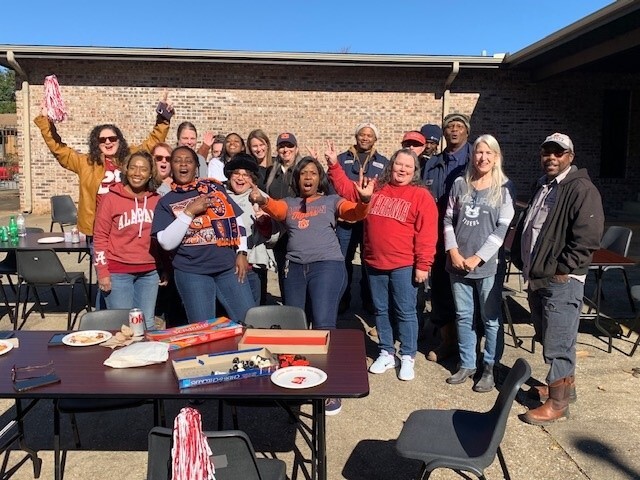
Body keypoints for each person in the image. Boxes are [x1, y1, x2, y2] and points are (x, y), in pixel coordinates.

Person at [250, 155, 373, 416]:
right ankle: (297, 381)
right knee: (294, 328)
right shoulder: (290, 203)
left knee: (323, 324)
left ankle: (327, 388)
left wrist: (364, 200)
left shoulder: (331, 201)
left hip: (327, 266)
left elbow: (354, 213)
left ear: (320, 178)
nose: (308, 177)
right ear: (296, 179)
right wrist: (261, 199)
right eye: (303, 173)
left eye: (313, 173)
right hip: (294, 268)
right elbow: (274, 208)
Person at [512, 133, 604, 425]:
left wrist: (562, 269)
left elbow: (587, 239)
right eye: (547, 152)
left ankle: (558, 404)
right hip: (539, 276)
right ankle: (566, 388)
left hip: (560, 279)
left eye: (558, 153)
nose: (551, 157)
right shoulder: (542, 185)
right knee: (550, 336)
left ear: (570, 157)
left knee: (558, 342)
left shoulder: (581, 189)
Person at [328, 146, 437, 382]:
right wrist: (334, 166)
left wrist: (423, 264)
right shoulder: (376, 187)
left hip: (404, 264)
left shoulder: (421, 196)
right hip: (375, 262)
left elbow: (427, 233)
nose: (402, 169)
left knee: (405, 311)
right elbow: (349, 190)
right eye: (399, 164)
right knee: (381, 309)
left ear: (414, 171)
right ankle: (386, 351)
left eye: (408, 166)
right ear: (391, 165)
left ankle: (407, 355)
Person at [34, 93, 173, 238]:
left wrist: (164, 116)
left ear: (119, 140)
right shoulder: (85, 163)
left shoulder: (131, 157)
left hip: (126, 225)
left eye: (112, 138)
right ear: (97, 143)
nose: (108, 142)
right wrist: (46, 122)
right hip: (98, 229)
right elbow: (59, 149)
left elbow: (153, 141)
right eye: (102, 140)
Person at [443, 135, 515, 392]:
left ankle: (489, 367)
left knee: (490, 319)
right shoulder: (460, 184)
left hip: (487, 266)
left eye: (488, 153)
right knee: (463, 316)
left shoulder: (504, 188)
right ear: (473, 156)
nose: (482, 158)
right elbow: (448, 220)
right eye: (479, 153)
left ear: (496, 157)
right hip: (458, 263)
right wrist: (452, 250)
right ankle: (467, 363)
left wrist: (478, 257)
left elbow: (502, 229)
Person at [151, 146, 256, 323]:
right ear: (171, 166)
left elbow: (237, 222)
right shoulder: (165, 202)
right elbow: (166, 242)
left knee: (249, 321)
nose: (183, 164)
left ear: (196, 167)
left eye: (188, 161)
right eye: (177, 161)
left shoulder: (214, 189)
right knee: (204, 328)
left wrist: (242, 252)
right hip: (193, 273)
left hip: (228, 267)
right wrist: (189, 212)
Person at [423, 113, 473, 363]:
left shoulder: (477, 158)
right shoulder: (432, 163)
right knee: (441, 292)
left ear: (467, 131)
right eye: (449, 127)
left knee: (468, 294)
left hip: (468, 239)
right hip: (438, 239)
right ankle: (448, 341)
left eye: (459, 126)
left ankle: (471, 347)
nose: (453, 130)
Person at [93, 151, 162, 330]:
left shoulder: (156, 200)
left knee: (147, 324)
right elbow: (100, 237)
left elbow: (161, 238)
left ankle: (147, 359)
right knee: (123, 327)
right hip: (118, 272)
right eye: (133, 168)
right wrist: (102, 272)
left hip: (149, 273)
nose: (137, 173)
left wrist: (164, 267)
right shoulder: (110, 198)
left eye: (143, 169)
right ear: (126, 170)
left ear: (150, 173)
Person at [335, 122, 388, 314]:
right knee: (342, 261)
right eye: (362, 135)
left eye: (369, 135)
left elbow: (385, 190)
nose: (365, 138)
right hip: (346, 221)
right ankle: (342, 298)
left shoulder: (383, 162)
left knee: (369, 261)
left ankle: (369, 299)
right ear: (356, 136)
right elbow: (333, 184)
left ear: (375, 139)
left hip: (369, 222)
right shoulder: (342, 159)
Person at [224, 153, 279, 305]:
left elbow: (273, 237)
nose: (240, 178)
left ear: (253, 179)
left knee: (252, 313)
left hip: (251, 267)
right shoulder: (220, 196)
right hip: (224, 265)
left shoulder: (261, 198)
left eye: (246, 175)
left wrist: (263, 221)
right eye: (236, 173)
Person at [264, 132, 303, 301]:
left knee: (298, 273)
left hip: (299, 230)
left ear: (296, 148)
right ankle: (288, 308)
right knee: (282, 272)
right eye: (282, 146)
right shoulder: (271, 172)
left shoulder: (303, 170)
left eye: (289, 146)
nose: (286, 150)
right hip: (279, 232)